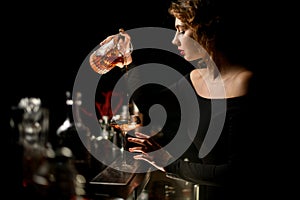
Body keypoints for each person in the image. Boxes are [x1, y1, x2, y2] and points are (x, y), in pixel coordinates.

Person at [127, 0, 257, 199]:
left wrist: (169, 163)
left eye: (181, 30)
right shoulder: (196, 79)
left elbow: (236, 173)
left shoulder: (245, 82)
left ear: (207, 31)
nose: (174, 40)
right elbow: (148, 102)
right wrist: (128, 59)